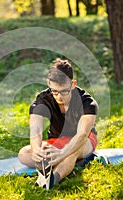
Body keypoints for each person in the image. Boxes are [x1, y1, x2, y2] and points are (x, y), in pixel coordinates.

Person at [18, 58, 98, 189]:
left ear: (73, 84)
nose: (59, 97)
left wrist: (63, 153)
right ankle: (48, 166)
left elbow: (82, 134)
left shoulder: (87, 102)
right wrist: (37, 150)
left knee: (71, 154)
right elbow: (35, 129)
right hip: (57, 140)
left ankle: (52, 180)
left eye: (64, 91)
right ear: (49, 84)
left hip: (85, 140)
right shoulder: (43, 99)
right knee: (23, 154)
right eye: (54, 91)